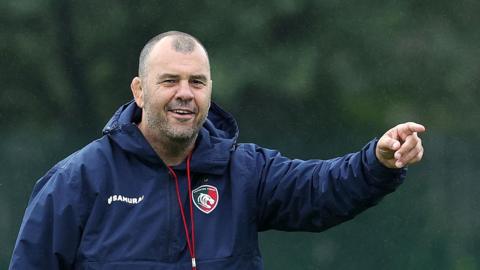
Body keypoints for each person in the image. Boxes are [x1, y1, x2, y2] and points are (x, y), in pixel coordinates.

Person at [9, 31, 425, 270]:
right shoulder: (76, 181)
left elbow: (319, 189)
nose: (185, 94)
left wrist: (377, 162)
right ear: (139, 90)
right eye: (169, 80)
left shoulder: (243, 170)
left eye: (197, 82)